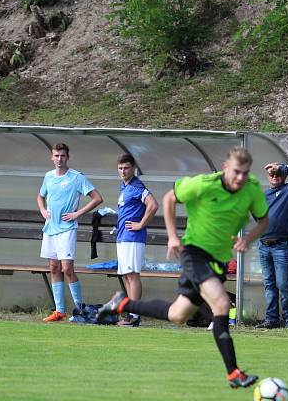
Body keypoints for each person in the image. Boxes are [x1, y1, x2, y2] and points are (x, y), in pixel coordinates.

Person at [98, 146, 270, 388]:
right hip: (194, 254)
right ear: (224, 169)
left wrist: (247, 239)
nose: (240, 178)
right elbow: (169, 198)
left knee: (177, 315)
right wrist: (172, 237)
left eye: (245, 173)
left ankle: (121, 303)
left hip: (218, 260)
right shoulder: (203, 184)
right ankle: (234, 373)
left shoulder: (251, 189)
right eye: (236, 172)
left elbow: (264, 220)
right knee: (221, 304)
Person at [36, 143, 103, 322]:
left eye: (62, 156)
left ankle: (80, 309)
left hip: (67, 229)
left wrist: (77, 213)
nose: (59, 159)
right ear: (52, 157)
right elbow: (40, 196)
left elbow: (98, 198)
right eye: (56, 156)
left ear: (68, 157)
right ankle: (59, 311)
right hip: (50, 228)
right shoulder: (48, 176)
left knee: (67, 269)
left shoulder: (76, 177)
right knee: (54, 267)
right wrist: (43, 210)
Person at [255, 162, 288, 330]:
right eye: (272, 174)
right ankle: (272, 319)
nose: (275, 176)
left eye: (277, 174)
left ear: (283, 176)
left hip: (281, 246)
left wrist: (281, 167)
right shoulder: (264, 195)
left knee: (283, 284)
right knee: (269, 284)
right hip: (264, 245)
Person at [115, 153, 158, 327]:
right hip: (123, 237)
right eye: (120, 168)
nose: (123, 171)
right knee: (127, 276)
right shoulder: (124, 187)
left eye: (126, 168)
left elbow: (153, 205)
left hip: (133, 238)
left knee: (132, 275)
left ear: (133, 168)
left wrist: (140, 224)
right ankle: (131, 313)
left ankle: (135, 315)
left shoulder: (137, 186)